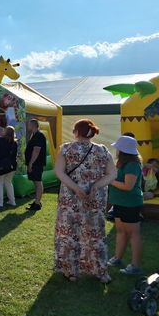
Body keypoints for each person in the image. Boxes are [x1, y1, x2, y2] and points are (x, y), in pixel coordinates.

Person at [54, 119, 116, 283]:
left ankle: (71, 272)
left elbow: (59, 172)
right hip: (95, 199)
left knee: (69, 233)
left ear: (76, 132)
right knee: (95, 234)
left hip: (70, 198)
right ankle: (100, 272)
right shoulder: (102, 150)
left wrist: (75, 188)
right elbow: (112, 174)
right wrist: (96, 186)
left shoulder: (66, 148)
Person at [107, 135, 145, 275]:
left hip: (130, 204)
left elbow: (128, 186)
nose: (116, 150)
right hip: (120, 203)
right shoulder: (122, 163)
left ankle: (135, 266)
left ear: (123, 150)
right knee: (121, 231)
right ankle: (117, 258)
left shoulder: (132, 165)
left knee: (133, 234)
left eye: (118, 148)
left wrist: (111, 180)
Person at [0, 125, 18, 207]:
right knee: (8, 183)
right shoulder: (15, 142)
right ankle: (12, 201)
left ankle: (0, 202)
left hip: (0, 165)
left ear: (6, 132)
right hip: (12, 165)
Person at [25, 119, 47, 211]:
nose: (27, 126)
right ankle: (37, 201)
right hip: (34, 163)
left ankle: (37, 204)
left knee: (38, 182)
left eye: (29, 124)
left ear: (33, 125)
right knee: (36, 182)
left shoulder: (39, 135)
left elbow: (36, 150)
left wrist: (31, 163)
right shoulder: (34, 135)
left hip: (36, 163)